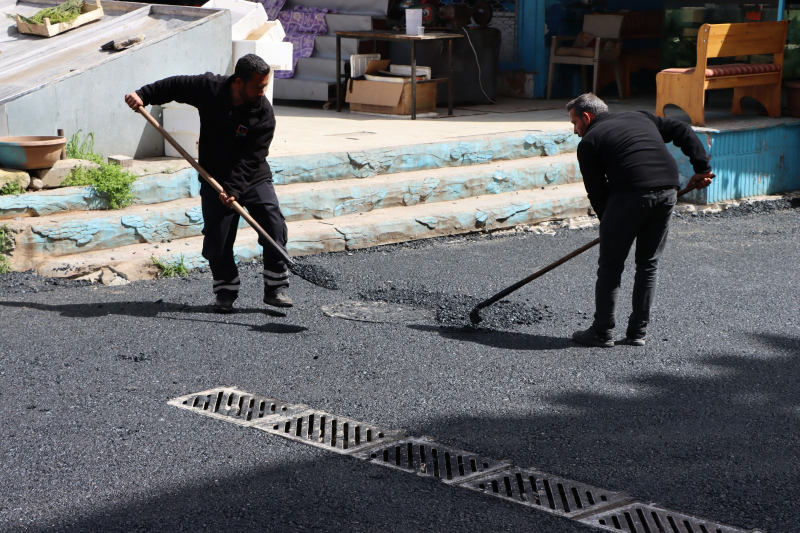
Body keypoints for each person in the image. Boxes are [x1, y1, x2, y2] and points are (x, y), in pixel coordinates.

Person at [125, 54, 293, 313]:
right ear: (239, 81)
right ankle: (225, 291)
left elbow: (253, 157)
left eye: (265, 86)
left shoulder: (263, 112)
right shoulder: (209, 88)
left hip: (252, 176)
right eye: (258, 86)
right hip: (214, 176)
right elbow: (174, 86)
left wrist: (234, 189)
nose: (263, 92)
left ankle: (275, 287)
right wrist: (143, 95)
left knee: (273, 225)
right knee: (217, 237)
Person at [566, 93, 714, 347]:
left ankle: (602, 331)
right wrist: (701, 167)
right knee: (648, 264)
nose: (575, 130)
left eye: (574, 123)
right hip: (667, 190)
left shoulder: (589, 142)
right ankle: (637, 333)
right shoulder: (641, 116)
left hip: (630, 195)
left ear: (587, 117)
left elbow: (597, 192)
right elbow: (682, 129)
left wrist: (610, 226)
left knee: (611, 266)